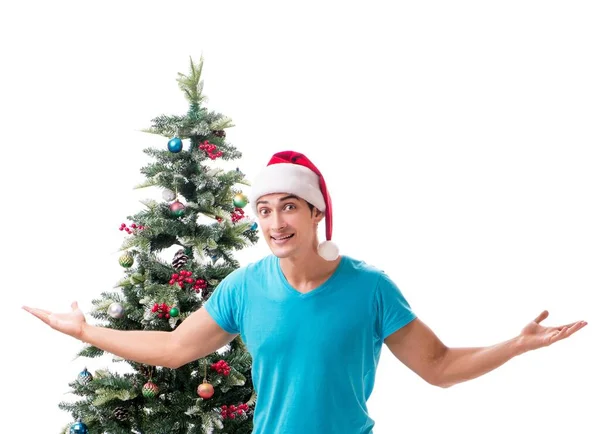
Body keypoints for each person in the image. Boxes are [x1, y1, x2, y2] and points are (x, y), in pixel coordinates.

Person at [23, 150, 587, 434]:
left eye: (288, 206)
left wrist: (514, 345)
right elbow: (175, 349)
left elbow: (437, 367)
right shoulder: (245, 287)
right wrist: (88, 331)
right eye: (264, 211)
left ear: (317, 213)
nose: (275, 223)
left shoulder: (370, 288)